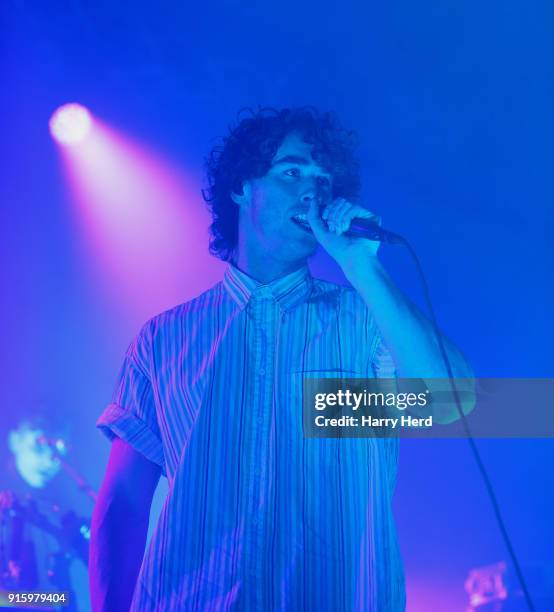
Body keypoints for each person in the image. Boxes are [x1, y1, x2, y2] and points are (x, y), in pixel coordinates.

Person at [89, 107, 473, 611]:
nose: (312, 191)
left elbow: (451, 402)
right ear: (240, 188)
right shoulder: (164, 339)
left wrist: (362, 268)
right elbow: (124, 502)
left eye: (323, 179)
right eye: (292, 172)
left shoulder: (363, 320)